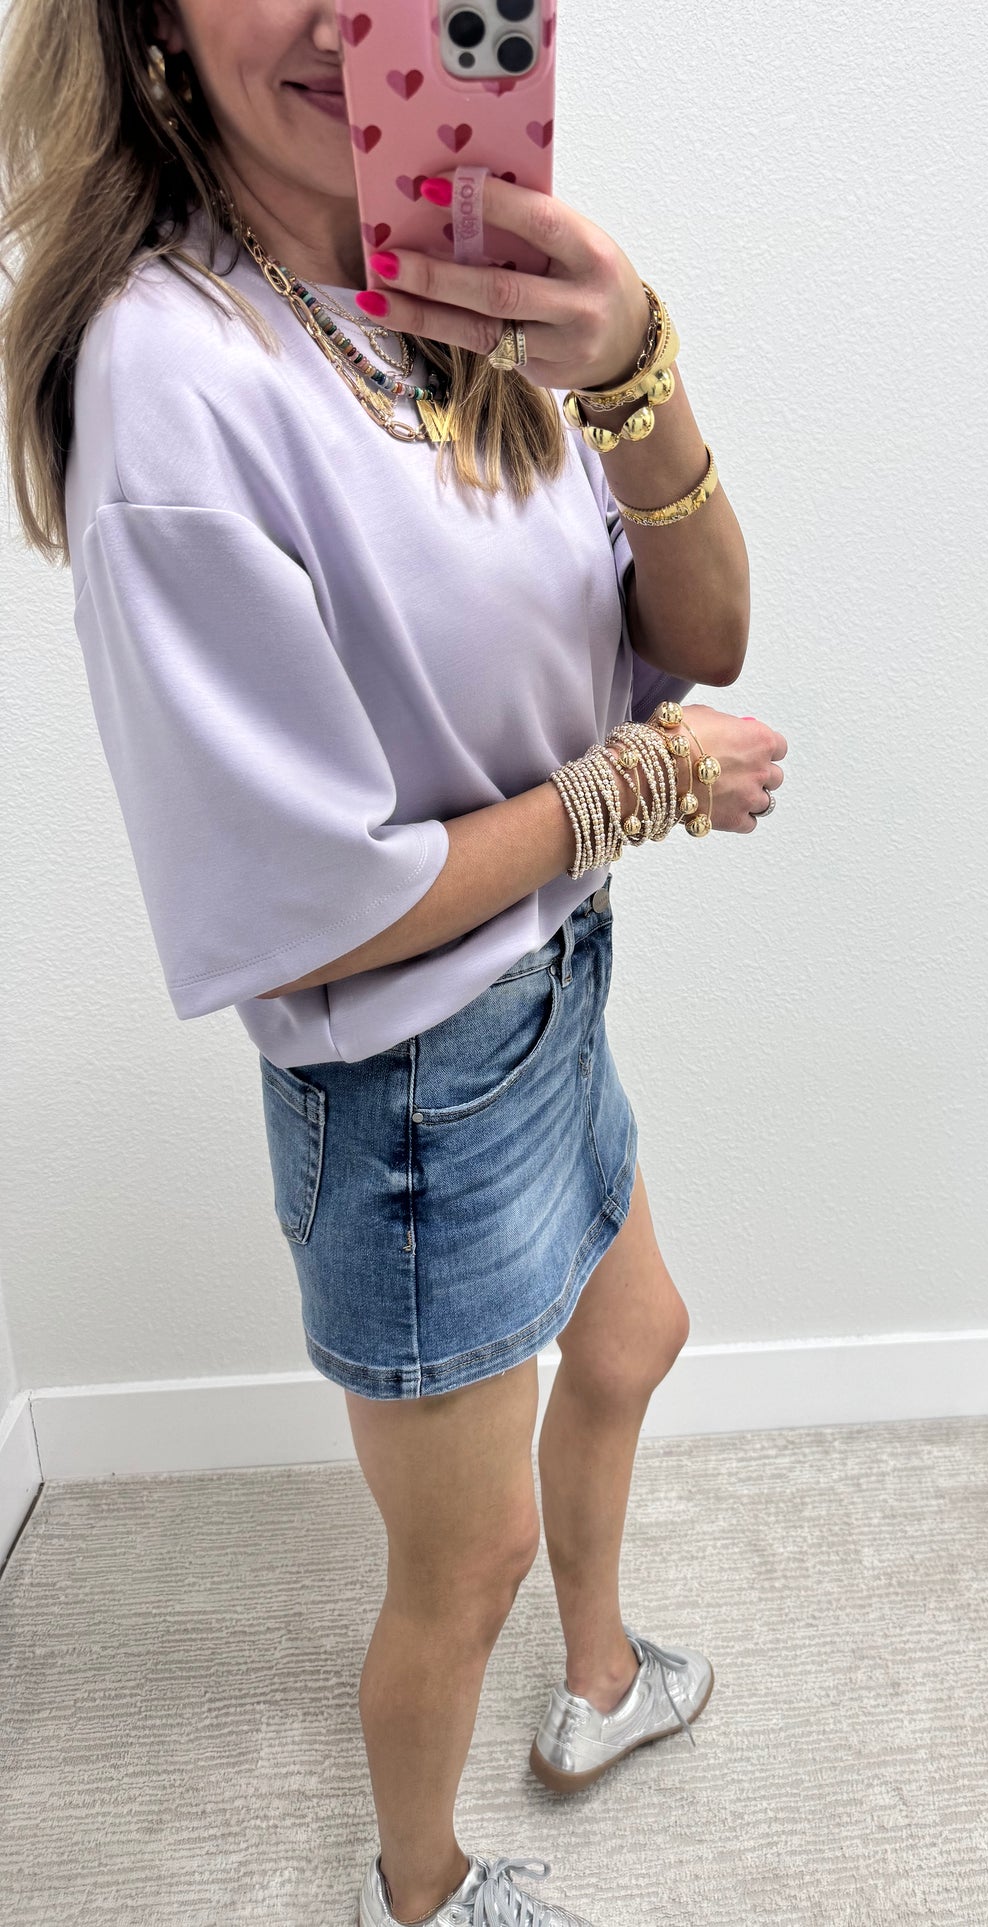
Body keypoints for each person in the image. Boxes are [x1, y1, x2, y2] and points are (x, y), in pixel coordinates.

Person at [0, 2, 787, 1921]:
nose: (347, 16)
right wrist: (639, 785)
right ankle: (416, 1889)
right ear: (151, 20)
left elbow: (706, 636)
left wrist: (637, 366)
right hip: (413, 1076)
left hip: (548, 984)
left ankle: (599, 1687)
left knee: (636, 1338)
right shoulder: (172, 374)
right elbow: (313, 905)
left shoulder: (448, 288)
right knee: (464, 1560)